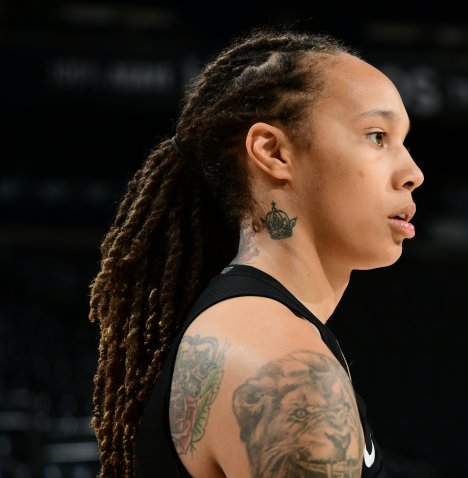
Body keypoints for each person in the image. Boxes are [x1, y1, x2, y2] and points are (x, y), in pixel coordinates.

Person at [87, 26, 424, 477]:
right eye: (377, 136)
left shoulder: (262, 329)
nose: (413, 172)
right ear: (273, 151)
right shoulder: (282, 364)